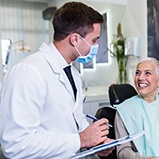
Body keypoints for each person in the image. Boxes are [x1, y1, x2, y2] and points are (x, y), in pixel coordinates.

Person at [0, 2, 114, 159]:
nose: (96, 46)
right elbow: (16, 144)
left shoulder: (73, 73)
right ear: (75, 39)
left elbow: (75, 119)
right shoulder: (28, 72)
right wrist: (80, 140)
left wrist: (94, 144)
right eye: (94, 41)